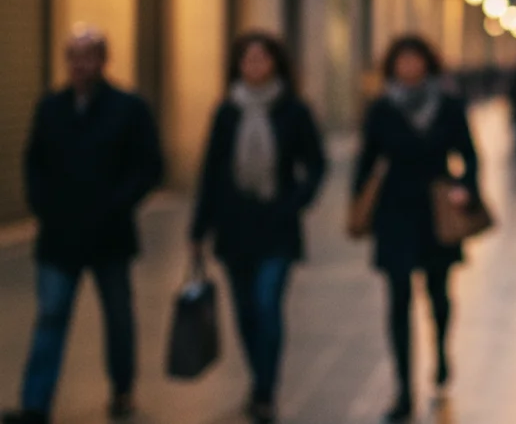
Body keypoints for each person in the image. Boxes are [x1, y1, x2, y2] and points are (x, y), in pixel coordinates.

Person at [3, 28, 164, 424]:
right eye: (73, 56)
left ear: (102, 61)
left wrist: (117, 203)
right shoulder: (52, 107)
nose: (79, 65)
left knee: (118, 317)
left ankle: (122, 390)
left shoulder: (128, 108)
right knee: (51, 316)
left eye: (87, 56)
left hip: (109, 235)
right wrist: (43, 205)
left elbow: (149, 167)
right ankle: (35, 403)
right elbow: (34, 161)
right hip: (60, 236)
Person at [189, 32, 327, 424]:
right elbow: (211, 172)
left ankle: (265, 390)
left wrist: (295, 203)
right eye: (247, 60)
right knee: (246, 312)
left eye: (262, 59)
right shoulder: (226, 111)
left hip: (277, 225)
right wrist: (199, 229)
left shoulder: (294, 111)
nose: (254, 67)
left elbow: (316, 165)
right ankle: (258, 380)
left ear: (275, 64)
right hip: (234, 226)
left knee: (268, 305)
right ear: (238, 66)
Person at [352, 36, 479, 423]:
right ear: (393, 66)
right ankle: (403, 390)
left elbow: (470, 156)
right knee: (397, 301)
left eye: (416, 60)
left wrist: (466, 188)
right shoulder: (381, 108)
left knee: (439, 295)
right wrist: (357, 206)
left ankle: (440, 353)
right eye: (402, 61)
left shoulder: (449, 106)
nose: (409, 67)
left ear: (428, 64)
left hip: (436, 210)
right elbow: (366, 159)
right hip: (395, 212)